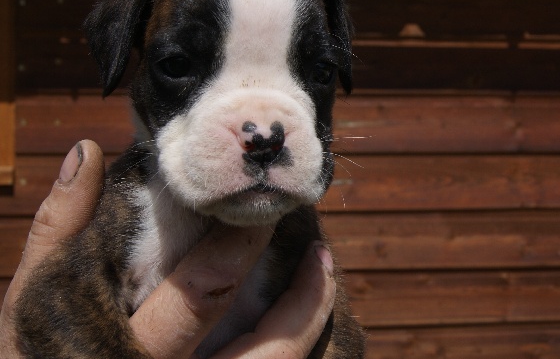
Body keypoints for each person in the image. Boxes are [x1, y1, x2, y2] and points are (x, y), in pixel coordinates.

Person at [0, 140, 335, 359]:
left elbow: (338, 340)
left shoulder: (293, 221)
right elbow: (57, 306)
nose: (261, 135)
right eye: (179, 67)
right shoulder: (132, 201)